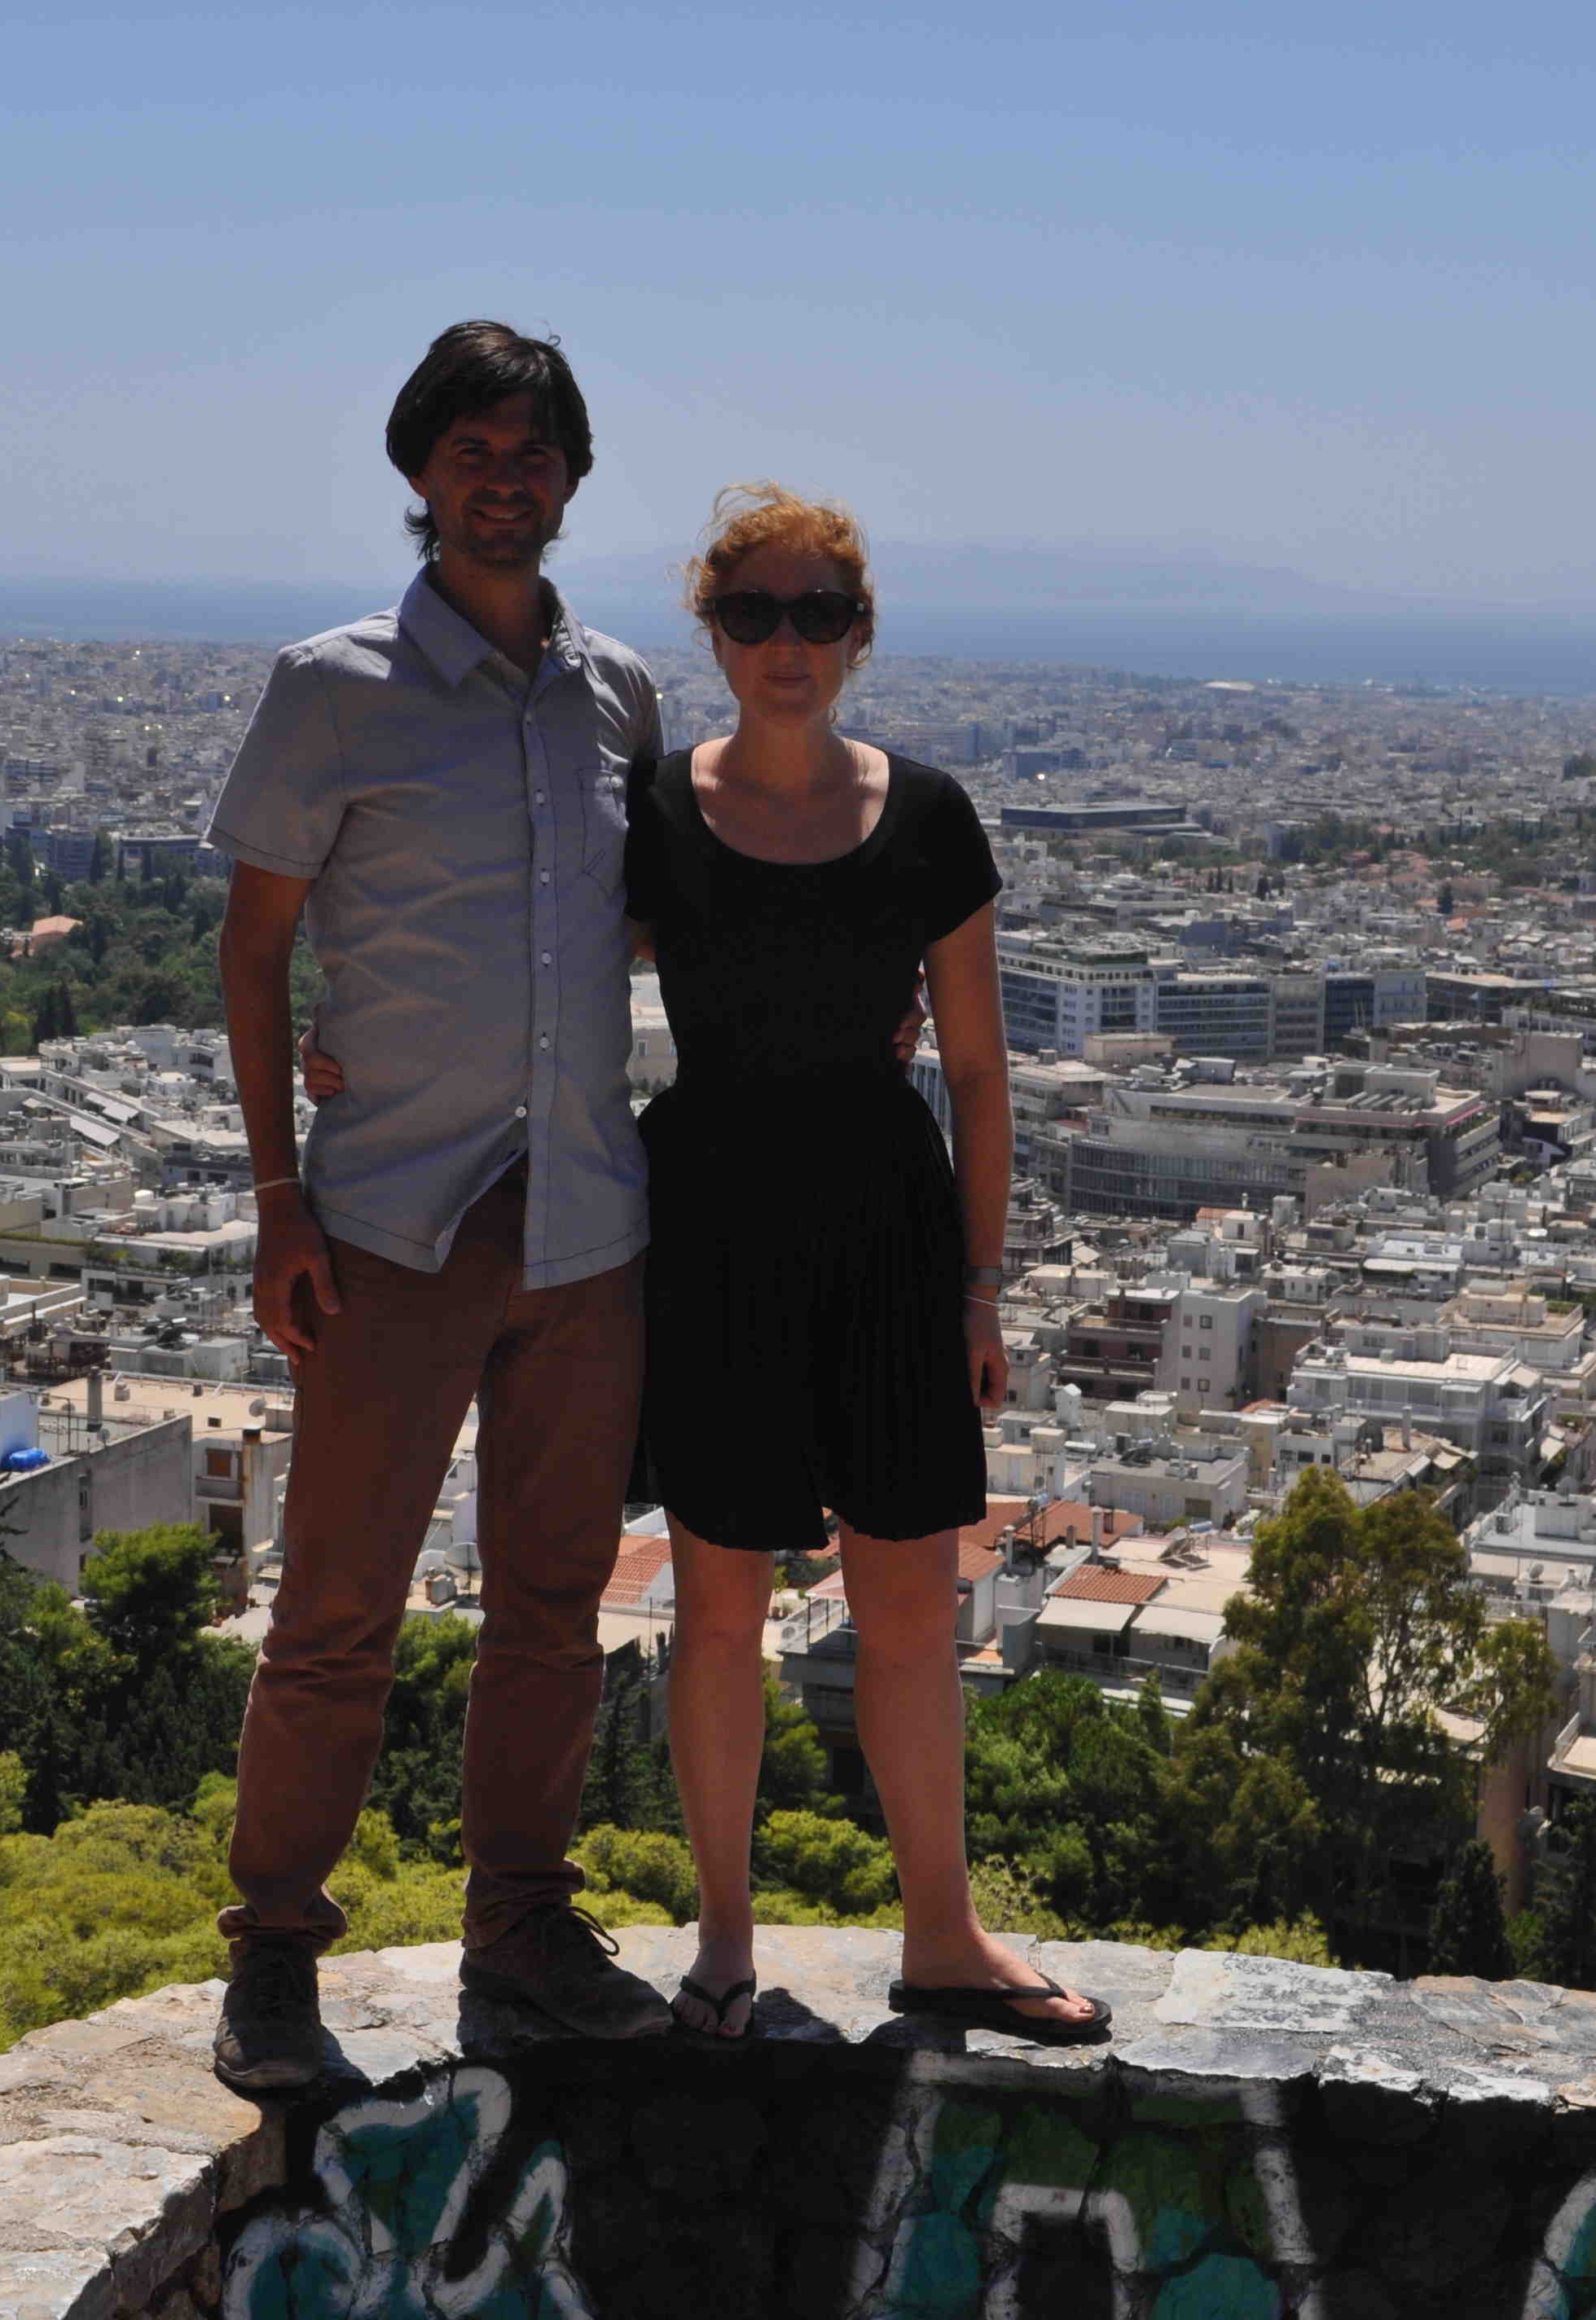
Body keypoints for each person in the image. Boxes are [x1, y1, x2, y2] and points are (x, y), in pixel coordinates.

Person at [310, 485, 1108, 2045]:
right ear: (714, 631)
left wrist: (981, 1288)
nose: (786, 642)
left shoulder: (930, 817)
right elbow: (525, 959)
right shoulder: (661, 812)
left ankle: (943, 1935)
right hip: (715, 1227)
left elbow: (980, 1067)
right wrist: (356, 1038)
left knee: (907, 1606)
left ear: (861, 634)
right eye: (754, 613)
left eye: (819, 614)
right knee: (722, 1604)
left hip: (887, 1227)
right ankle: (725, 1944)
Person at [202, 320, 673, 2094]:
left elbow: (639, 924)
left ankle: (522, 1924)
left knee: (554, 1599)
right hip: (394, 1213)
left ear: (572, 477)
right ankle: (273, 1949)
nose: (505, 478)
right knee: (339, 1606)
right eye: (474, 449)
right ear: (418, 470)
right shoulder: (332, 687)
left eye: (534, 451)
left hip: (585, 1218)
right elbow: (255, 947)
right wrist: (276, 1197)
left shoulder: (617, 694)